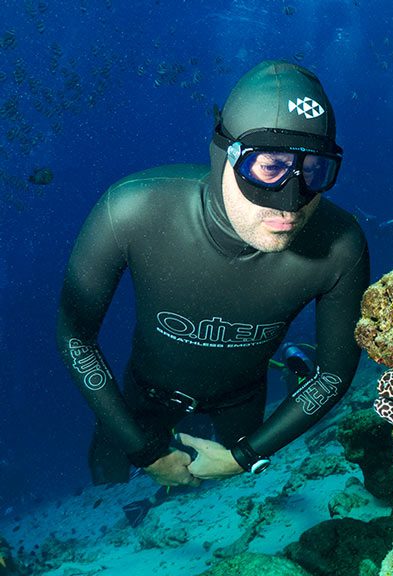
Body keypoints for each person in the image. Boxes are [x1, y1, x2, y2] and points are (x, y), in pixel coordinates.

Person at [56, 60, 369, 487]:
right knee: (108, 477)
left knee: (244, 495)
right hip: (144, 398)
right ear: (226, 154)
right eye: (269, 167)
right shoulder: (131, 210)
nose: (291, 203)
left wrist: (243, 456)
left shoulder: (341, 245)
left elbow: (333, 373)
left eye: (314, 170)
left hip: (241, 403)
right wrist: (144, 452)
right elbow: (75, 335)